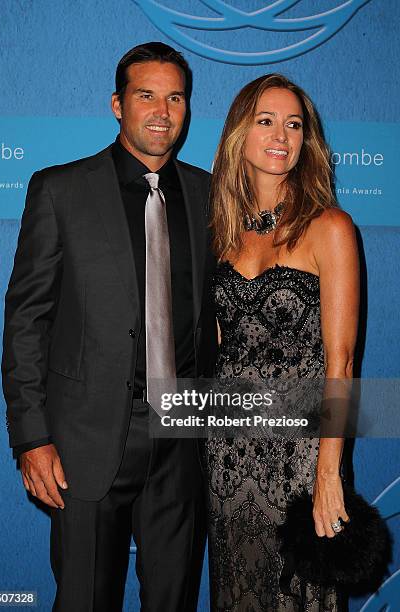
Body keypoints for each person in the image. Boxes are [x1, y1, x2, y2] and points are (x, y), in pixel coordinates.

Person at [1, 42, 217, 611]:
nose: (163, 112)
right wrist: (32, 436)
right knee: (84, 601)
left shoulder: (207, 194)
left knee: (172, 600)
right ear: (117, 104)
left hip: (183, 442)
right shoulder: (60, 190)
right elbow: (27, 319)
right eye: (147, 96)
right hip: (85, 443)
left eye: (176, 98)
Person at [205, 74, 359, 610]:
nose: (281, 135)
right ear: (238, 136)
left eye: (294, 124)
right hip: (228, 456)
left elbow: (340, 363)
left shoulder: (330, 228)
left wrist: (329, 472)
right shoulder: (221, 229)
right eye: (265, 121)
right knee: (237, 592)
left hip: (300, 457)